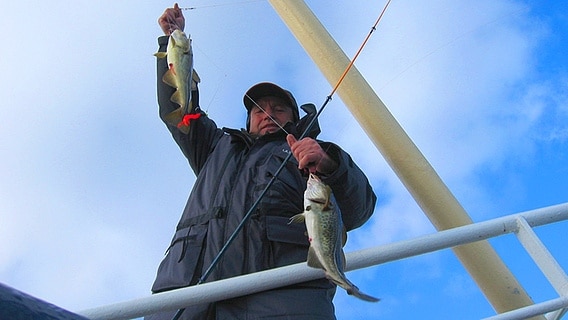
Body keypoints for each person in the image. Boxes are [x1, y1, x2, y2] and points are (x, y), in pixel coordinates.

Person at [147, 4, 377, 320]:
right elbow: (179, 107)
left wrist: (328, 164)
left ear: (294, 119)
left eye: (279, 110)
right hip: (187, 302)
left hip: (282, 305)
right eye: (259, 110)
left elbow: (359, 208)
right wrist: (171, 40)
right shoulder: (216, 147)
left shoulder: (314, 157)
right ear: (249, 120)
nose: (268, 115)